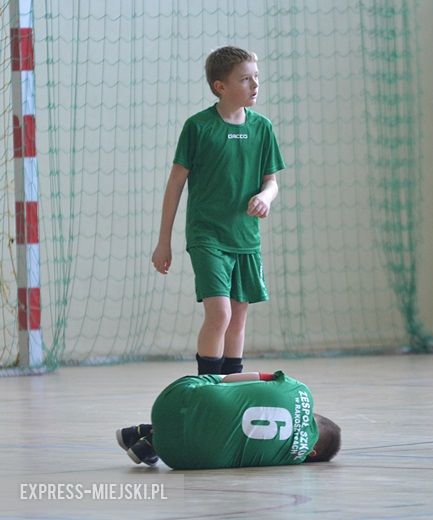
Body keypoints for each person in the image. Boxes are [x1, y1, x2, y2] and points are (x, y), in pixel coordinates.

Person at [151, 46, 285, 375]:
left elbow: (272, 182)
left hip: (245, 237)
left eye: (256, 77)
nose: (255, 85)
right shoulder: (198, 127)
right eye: (245, 79)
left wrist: (266, 197)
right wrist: (163, 241)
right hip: (207, 235)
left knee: (238, 318)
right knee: (220, 314)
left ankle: (231, 389)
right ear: (220, 87)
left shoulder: (262, 127)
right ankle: (206, 387)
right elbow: (175, 184)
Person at [115, 371, 341, 469]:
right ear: (312, 453)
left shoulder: (302, 391)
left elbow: (249, 377)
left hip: (169, 401)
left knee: (219, 386)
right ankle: (152, 441)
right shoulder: (292, 459)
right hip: (176, 455)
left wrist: (216, 380)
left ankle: (149, 431)